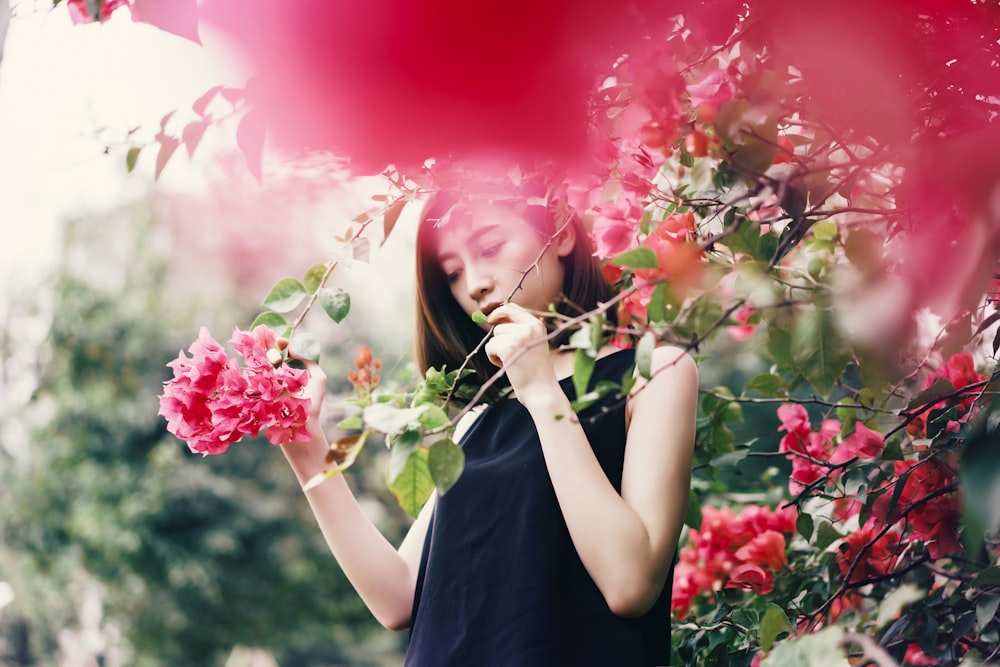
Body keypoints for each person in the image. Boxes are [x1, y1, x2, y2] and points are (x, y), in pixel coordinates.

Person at [279, 187, 698, 666]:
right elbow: (397, 598)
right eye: (453, 273)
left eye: (491, 247)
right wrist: (304, 444)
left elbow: (630, 583)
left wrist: (542, 392)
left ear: (559, 230)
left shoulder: (654, 374)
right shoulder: (479, 421)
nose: (474, 283)